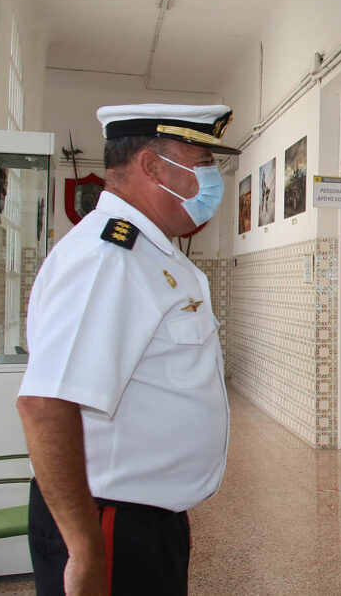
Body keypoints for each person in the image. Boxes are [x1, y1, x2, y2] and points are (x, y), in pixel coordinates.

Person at [17, 104, 238, 595]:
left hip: (143, 520)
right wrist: (85, 548)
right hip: (106, 524)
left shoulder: (147, 252)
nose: (211, 179)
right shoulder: (108, 259)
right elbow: (45, 404)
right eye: (202, 162)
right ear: (152, 166)